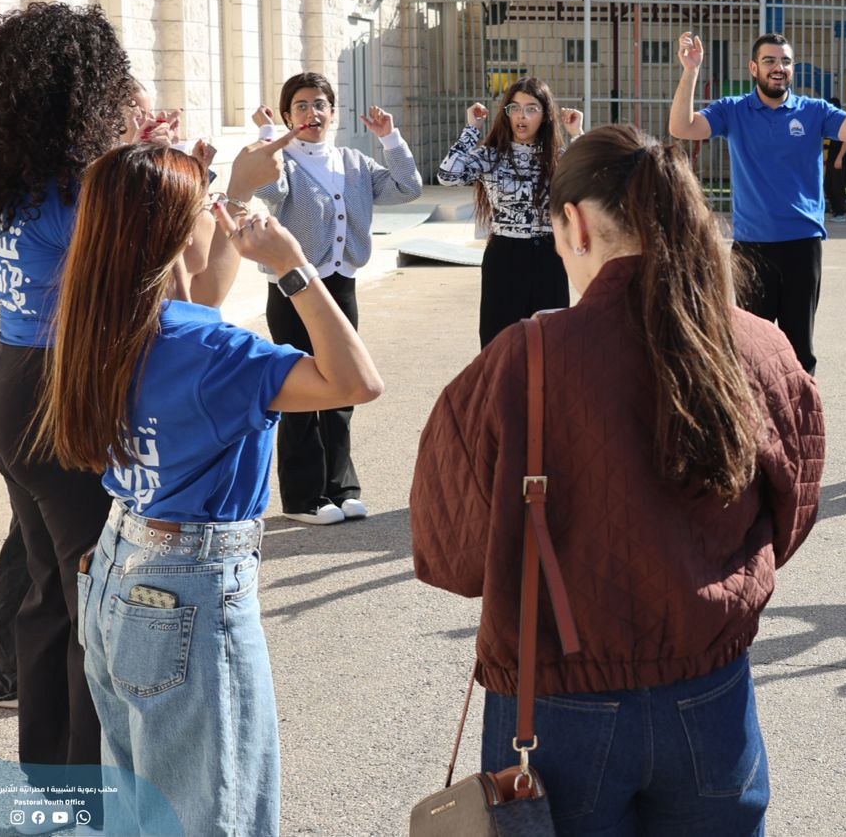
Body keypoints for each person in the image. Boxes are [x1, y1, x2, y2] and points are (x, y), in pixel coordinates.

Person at [412, 124, 826, 836]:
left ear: (574, 224)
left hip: (553, 706)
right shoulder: (757, 344)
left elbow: (450, 554)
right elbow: (794, 506)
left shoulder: (524, 358)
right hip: (710, 688)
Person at [42, 142, 382, 837]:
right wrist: (292, 266)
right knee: (214, 815)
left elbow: (201, 292)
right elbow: (355, 381)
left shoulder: (99, 324)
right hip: (188, 587)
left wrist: (232, 193)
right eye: (205, 210)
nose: (215, 220)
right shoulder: (215, 357)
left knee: (144, 808)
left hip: (118, 568)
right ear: (175, 235)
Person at [0, 2, 134, 780]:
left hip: (7, 382)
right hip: (55, 392)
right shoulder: (77, 194)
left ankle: (51, 781)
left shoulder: (7, 184)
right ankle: (84, 791)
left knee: (52, 587)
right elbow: (141, 293)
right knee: (91, 599)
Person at [233, 71, 421, 524]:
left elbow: (408, 188)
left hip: (340, 282)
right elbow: (268, 188)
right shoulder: (286, 163)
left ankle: (342, 487)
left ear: (333, 112)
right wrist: (268, 135)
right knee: (299, 388)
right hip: (292, 287)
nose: (312, 113)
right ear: (287, 117)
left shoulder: (353, 162)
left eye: (320, 104)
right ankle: (303, 498)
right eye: (301, 105)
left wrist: (390, 138)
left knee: (343, 384)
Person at [669, 31, 846, 374]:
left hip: (802, 245)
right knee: (751, 352)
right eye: (769, 61)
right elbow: (682, 127)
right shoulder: (733, 110)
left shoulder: (814, 111)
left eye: (785, 61)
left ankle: (801, 408)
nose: (778, 67)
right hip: (752, 248)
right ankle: (755, 410)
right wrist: (691, 70)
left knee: (800, 351)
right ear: (754, 68)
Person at [436, 76, 585, 347]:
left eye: (531, 108)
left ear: (545, 115)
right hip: (504, 257)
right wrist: (471, 130)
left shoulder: (559, 157)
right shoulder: (491, 155)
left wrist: (577, 134)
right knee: (500, 344)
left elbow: (592, 181)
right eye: (514, 108)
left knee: (551, 344)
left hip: (549, 258)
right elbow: (447, 175)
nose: (521, 116)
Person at [826, 136, 846, 222]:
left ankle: (840, 213)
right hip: (831, 158)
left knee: (838, 186)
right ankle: (835, 211)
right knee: (828, 186)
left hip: (840, 159)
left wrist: (840, 157)